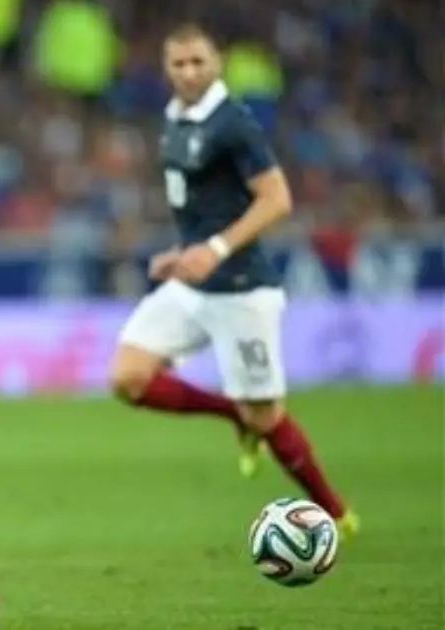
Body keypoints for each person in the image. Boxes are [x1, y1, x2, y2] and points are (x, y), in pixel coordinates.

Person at [108, 24, 358, 537]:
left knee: (268, 417)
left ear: (217, 62)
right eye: (178, 64)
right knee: (128, 377)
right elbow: (208, 207)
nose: (188, 72)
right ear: (166, 68)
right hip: (193, 284)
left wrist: (216, 249)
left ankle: (336, 514)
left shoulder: (234, 124)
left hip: (242, 288)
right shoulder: (175, 118)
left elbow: (276, 199)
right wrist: (184, 253)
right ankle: (235, 415)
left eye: (198, 62)